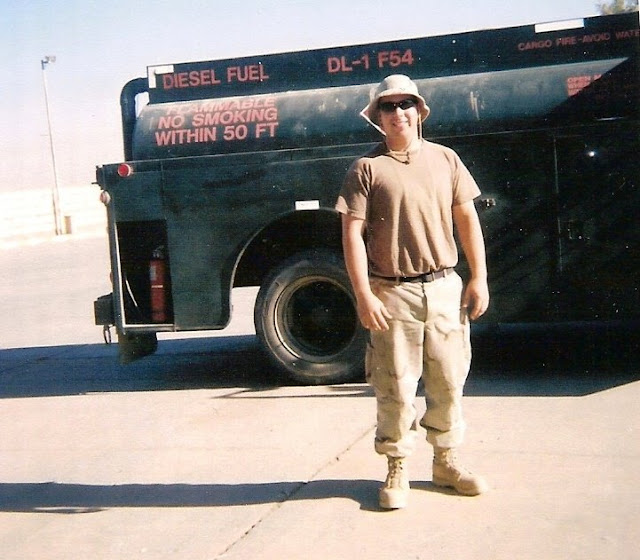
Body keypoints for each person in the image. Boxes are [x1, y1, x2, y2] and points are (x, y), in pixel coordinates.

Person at [335, 74, 490, 510]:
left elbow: (467, 219)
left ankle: (446, 462)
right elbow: (351, 234)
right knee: (396, 386)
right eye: (388, 106)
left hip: (443, 288)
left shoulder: (446, 159)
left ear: (419, 111)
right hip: (392, 294)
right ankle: (397, 466)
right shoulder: (366, 168)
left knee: (448, 381)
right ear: (377, 116)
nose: (398, 112)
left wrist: (478, 277)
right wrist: (363, 294)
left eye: (406, 104)